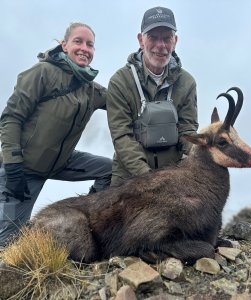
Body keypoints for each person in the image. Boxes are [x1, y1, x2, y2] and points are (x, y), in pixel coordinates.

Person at [0, 22, 112, 246]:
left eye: (90, 44)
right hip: (24, 169)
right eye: (78, 41)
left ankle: (87, 212)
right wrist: (12, 167)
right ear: (64, 45)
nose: (84, 48)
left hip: (62, 161)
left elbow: (121, 101)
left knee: (110, 169)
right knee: (7, 243)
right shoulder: (41, 73)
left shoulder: (91, 89)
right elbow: (11, 118)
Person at [107, 7, 198, 186]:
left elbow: (187, 131)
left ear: (175, 41)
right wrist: (148, 179)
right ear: (141, 40)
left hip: (172, 176)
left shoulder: (187, 82)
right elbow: (122, 136)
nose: (160, 45)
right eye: (153, 37)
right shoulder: (120, 81)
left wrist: (201, 157)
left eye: (167, 38)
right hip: (129, 179)